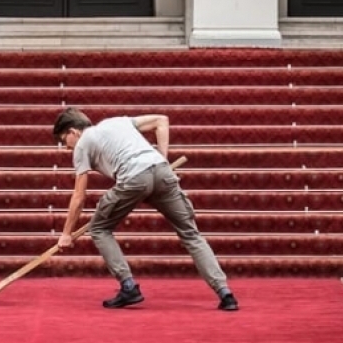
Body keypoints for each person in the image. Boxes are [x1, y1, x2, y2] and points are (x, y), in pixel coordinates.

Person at [52, 107, 238, 311]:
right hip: (162, 173)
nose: (66, 147)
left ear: (73, 132)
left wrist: (66, 234)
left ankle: (128, 286)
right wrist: (164, 159)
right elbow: (161, 120)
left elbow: (79, 196)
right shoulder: (117, 121)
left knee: (99, 228)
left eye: (64, 140)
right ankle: (225, 293)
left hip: (134, 179)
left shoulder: (82, 145)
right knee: (190, 233)